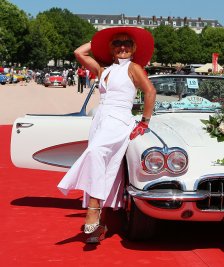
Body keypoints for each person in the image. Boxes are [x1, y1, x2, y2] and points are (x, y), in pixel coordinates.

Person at [57, 26, 156, 244]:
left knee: (95, 153)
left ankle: (93, 209)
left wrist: (145, 121)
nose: (123, 47)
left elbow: (150, 91)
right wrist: (100, 42)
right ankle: (99, 224)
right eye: (117, 44)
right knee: (106, 165)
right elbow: (78, 53)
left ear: (134, 48)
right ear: (111, 49)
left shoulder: (134, 67)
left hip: (119, 119)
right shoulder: (104, 70)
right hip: (101, 119)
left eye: (127, 44)